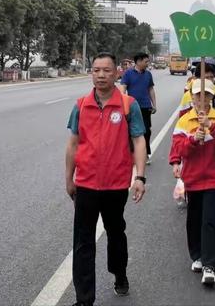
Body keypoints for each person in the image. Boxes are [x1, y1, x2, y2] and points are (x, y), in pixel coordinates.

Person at [65, 52, 147, 306]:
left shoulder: (127, 104)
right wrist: (69, 178)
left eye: (106, 70)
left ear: (116, 73)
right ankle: (84, 299)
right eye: (96, 70)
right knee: (83, 242)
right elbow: (73, 144)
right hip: (86, 184)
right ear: (92, 73)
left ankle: (120, 274)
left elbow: (138, 140)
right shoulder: (81, 105)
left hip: (115, 185)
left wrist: (140, 177)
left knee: (115, 233)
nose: (100, 75)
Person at [169, 79, 215, 285]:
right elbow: (178, 148)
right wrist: (192, 141)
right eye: (197, 95)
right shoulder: (184, 120)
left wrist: (210, 126)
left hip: (214, 178)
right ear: (192, 97)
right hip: (192, 179)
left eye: (206, 95)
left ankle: (210, 266)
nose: (201, 99)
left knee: (210, 221)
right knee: (194, 220)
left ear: (212, 97)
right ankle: (196, 256)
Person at [120, 52, 157, 163]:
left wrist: (154, 104)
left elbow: (151, 89)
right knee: (131, 132)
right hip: (132, 108)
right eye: (146, 61)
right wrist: (124, 105)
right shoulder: (128, 74)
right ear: (139, 61)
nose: (147, 64)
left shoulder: (148, 74)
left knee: (146, 131)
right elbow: (123, 89)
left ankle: (145, 155)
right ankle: (131, 154)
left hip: (146, 107)